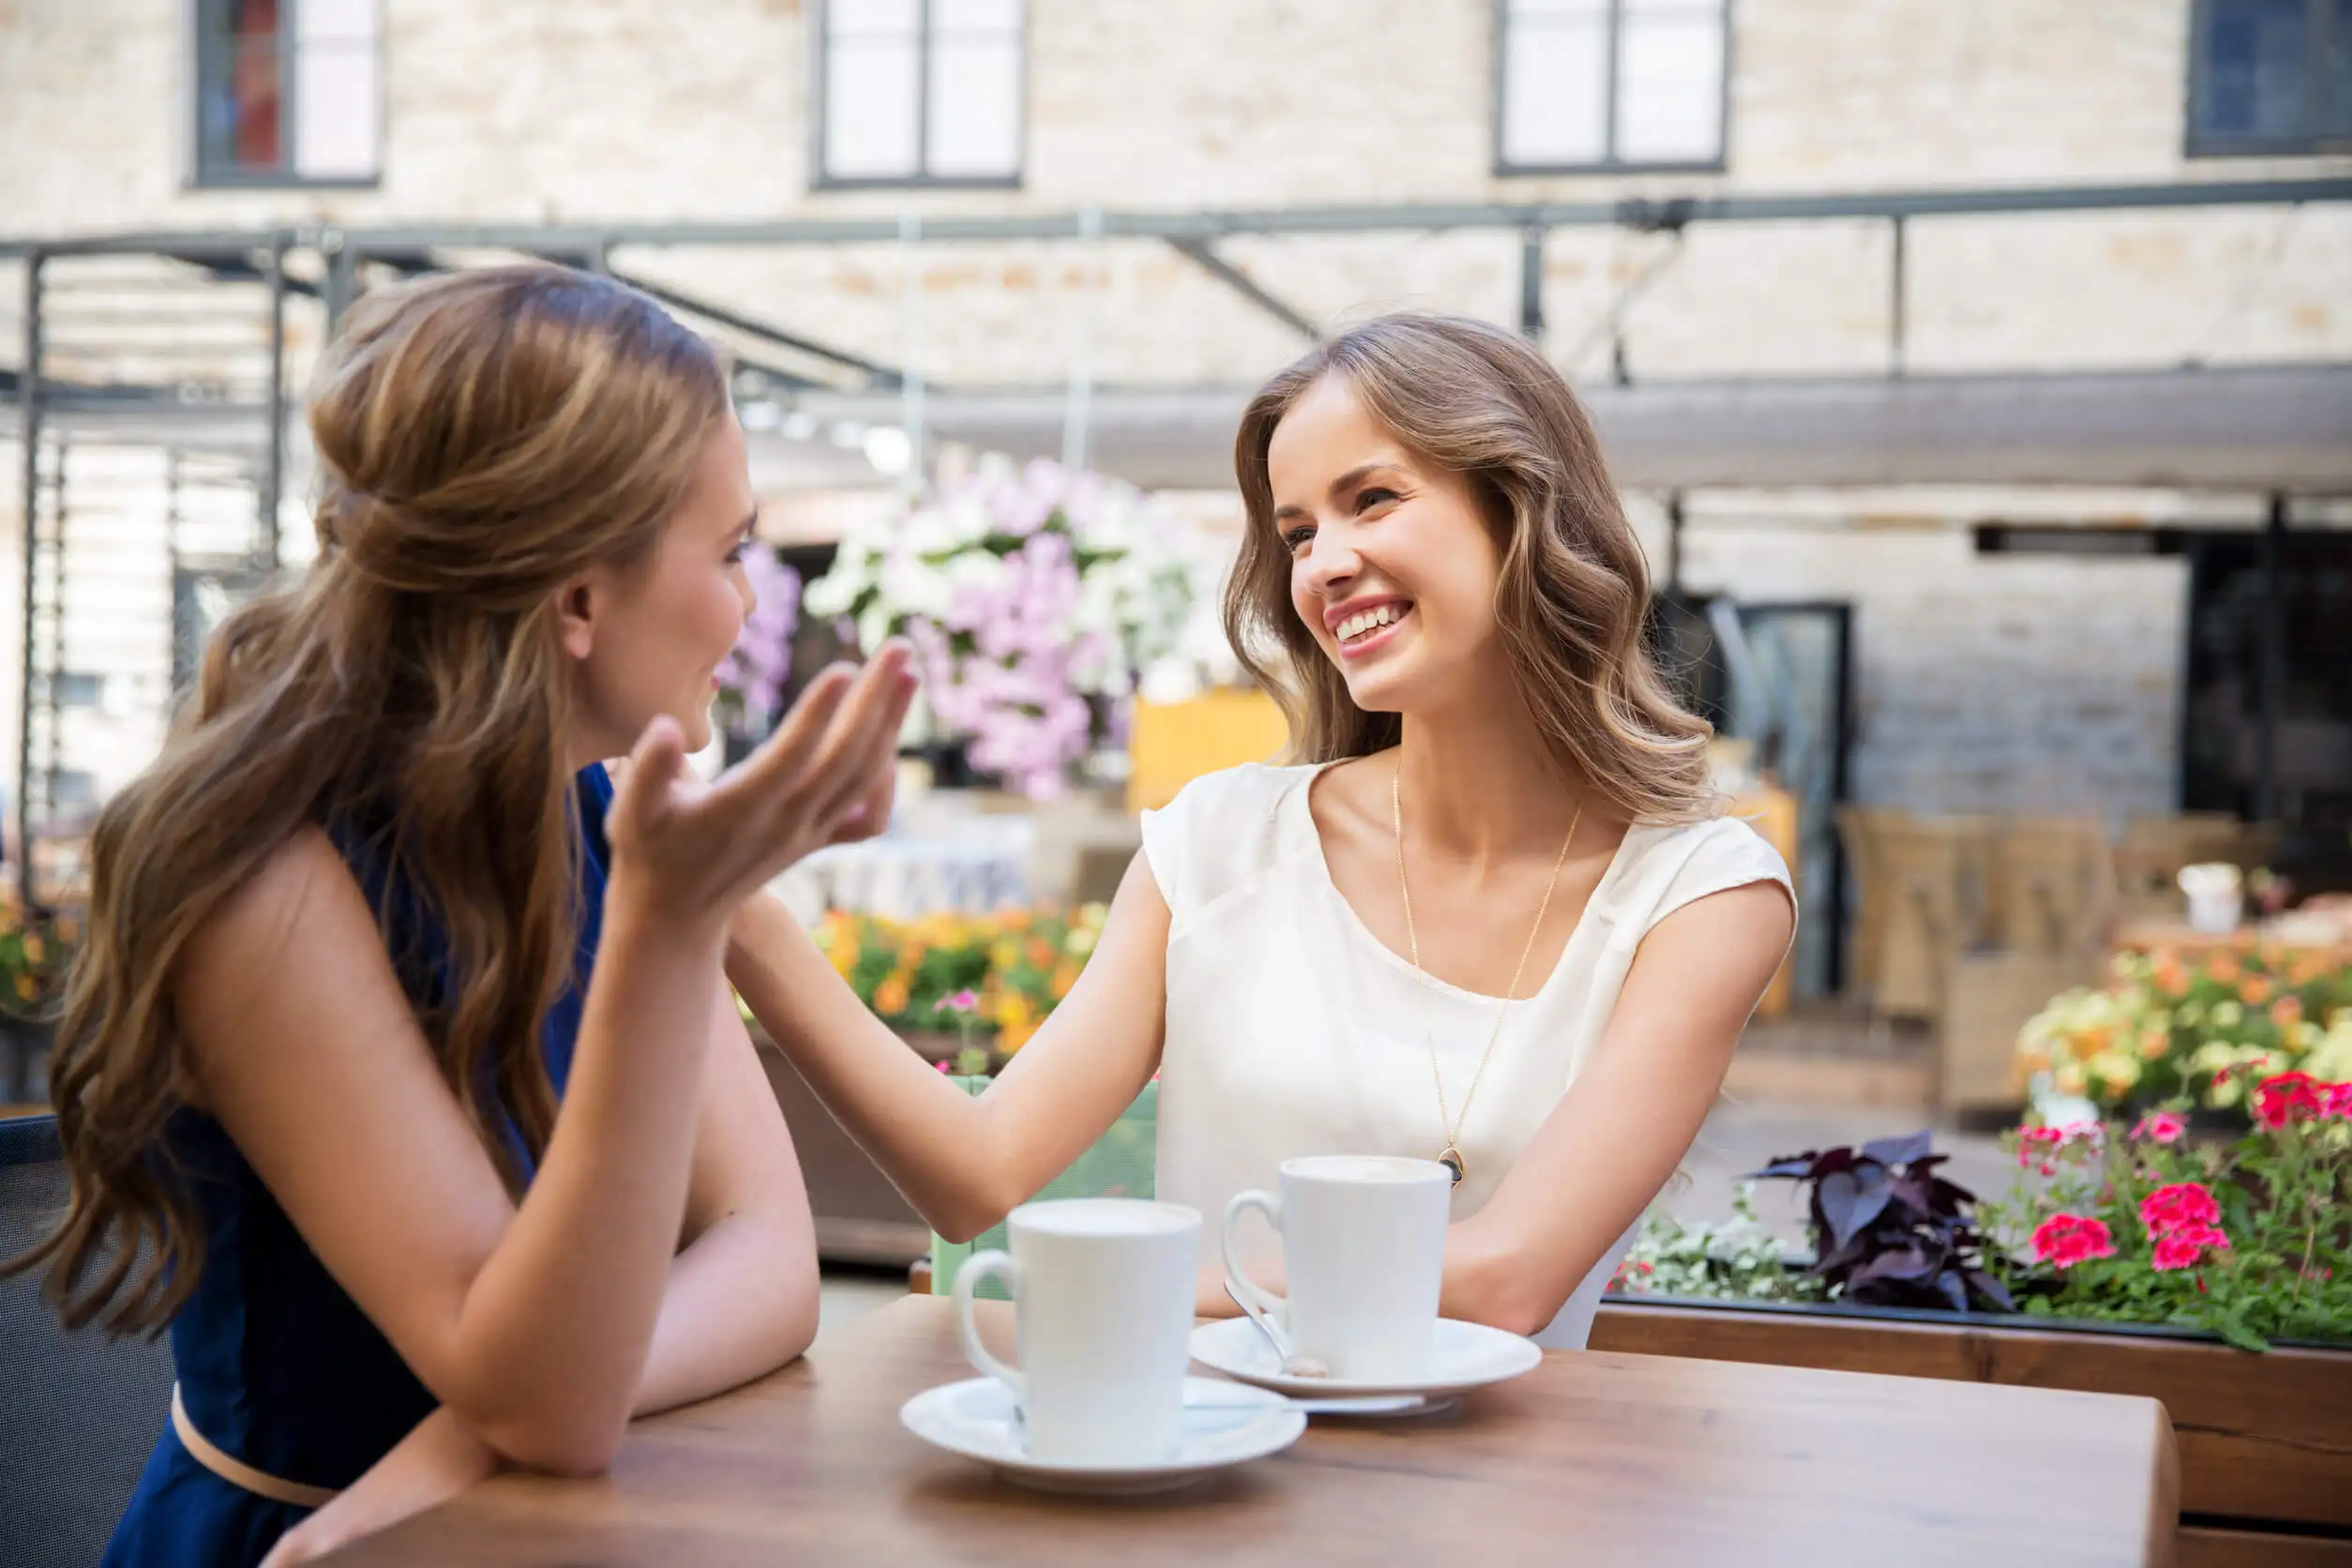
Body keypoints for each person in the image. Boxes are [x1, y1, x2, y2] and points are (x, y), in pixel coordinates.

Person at [4, 265, 915, 1565]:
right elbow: (548, 1398)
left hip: (503, 1513)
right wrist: (670, 924)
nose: (749, 603)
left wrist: (461, 1436)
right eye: (728, 553)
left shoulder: (598, 809)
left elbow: (772, 1261)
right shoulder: (265, 885)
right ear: (579, 600)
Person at [730, 313, 1796, 1347]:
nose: (1324, 563)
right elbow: (976, 1171)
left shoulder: (1700, 893)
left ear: (1519, 512)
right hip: (1203, 1481)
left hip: (1496, 1513)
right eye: (1297, 532)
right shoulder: (1217, 844)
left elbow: (1508, 1280)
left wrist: (1126, 1284)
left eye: (1371, 500)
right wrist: (733, 910)